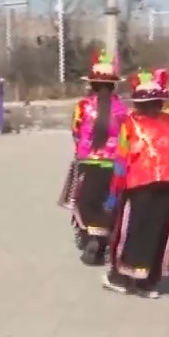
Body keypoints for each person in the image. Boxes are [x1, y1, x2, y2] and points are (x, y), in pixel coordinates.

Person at [102, 68, 169, 297]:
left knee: (134, 231)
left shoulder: (130, 125)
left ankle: (123, 278)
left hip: (141, 185)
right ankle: (148, 283)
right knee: (159, 231)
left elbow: (121, 160)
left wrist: (114, 194)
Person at [66, 50, 127, 265]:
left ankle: (91, 237)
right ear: (114, 86)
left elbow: (75, 131)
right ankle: (104, 240)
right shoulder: (122, 109)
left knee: (85, 200)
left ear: (91, 84)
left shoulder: (82, 107)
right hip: (114, 163)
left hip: (88, 161)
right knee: (109, 202)